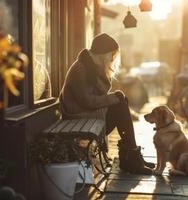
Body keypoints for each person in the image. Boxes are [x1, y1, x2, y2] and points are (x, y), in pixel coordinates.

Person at [59, 33, 154, 174]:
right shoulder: (81, 68)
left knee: (121, 103)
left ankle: (131, 156)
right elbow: (88, 101)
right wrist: (114, 98)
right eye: (111, 54)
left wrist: (115, 97)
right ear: (103, 53)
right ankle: (131, 157)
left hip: (84, 113)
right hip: (77, 115)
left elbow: (96, 96)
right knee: (119, 105)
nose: (112, 58)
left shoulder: (90, 66)